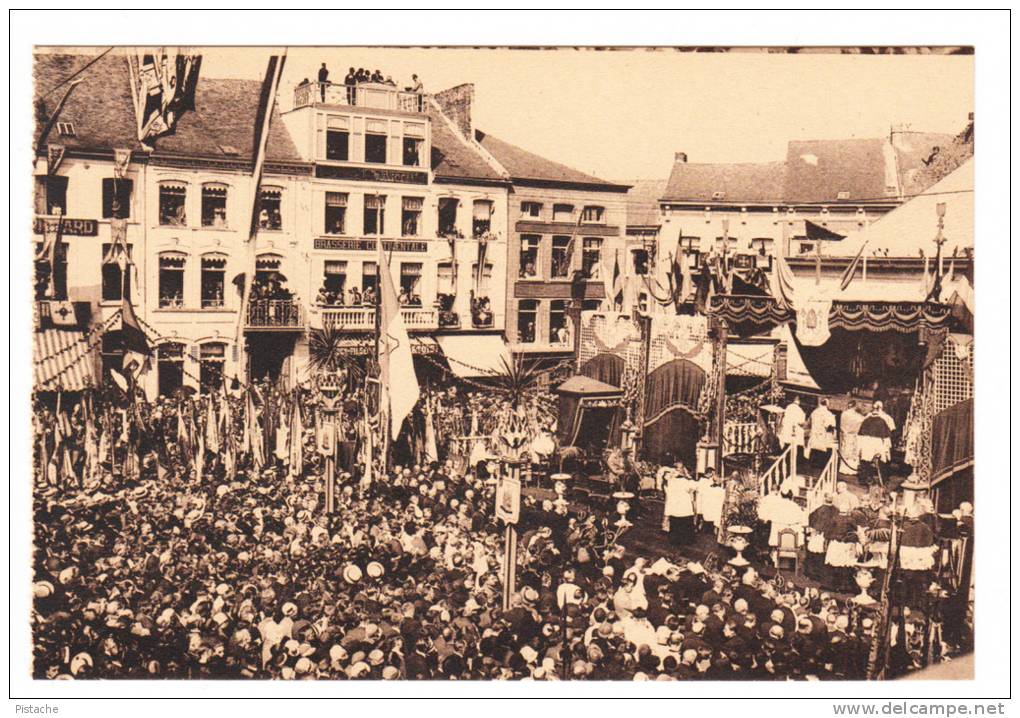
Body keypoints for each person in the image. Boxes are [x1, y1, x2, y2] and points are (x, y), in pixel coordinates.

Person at [663, 467, 696, 547]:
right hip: (684, 507)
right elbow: (695, 487)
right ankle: (687, 541)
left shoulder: (671, 482)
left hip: (675, 507)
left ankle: (674, 541)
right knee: (685, 524)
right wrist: (689, 477)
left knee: (675, 524)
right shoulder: (687, 482)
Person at [805, 398, 836, 464]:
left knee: (814, 448)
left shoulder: (814, 412)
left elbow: (808, 423)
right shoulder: (828, 414)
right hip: (822, 435)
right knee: (821, 449)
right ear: (827, 404)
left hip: (814, 434)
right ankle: (820, 463)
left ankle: (812, 462)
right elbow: (831, 426)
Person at [838, 400, 864, 475]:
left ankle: (843, 468)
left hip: (844, 435)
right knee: (852, 453)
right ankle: (852, 470)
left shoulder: (844, 414)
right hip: (853, 435)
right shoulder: (857, 416)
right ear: (855, 406)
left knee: (845, 451)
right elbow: (863, 420)